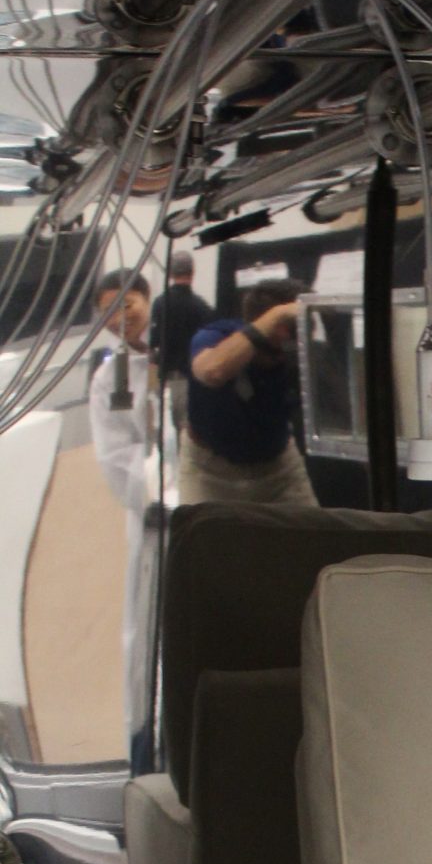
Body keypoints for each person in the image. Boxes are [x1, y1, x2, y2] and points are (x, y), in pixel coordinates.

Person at [89, 269, 176, 769]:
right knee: (148, 648)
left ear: (148, 298)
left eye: (127, 304)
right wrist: (165, 490)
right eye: (107, 310)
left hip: (212, 505)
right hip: (156, 525)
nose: (119, 318)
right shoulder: (113, 377)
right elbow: (116, 463)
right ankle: (150, 761)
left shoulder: (184, 351)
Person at [182, 279, 317, 506]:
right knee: (202, 538)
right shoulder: (216, 336)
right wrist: (276, 316)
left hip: (278, 468)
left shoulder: (299, 354)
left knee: (316, 537)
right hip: (210, 472)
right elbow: (212, 371)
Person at [148, 248, 216, 430]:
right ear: (192, 273)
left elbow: (153, 344)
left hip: (166, 383)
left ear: (170, 274)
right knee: (189, 434)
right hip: (192, 382)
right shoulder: (201, 307)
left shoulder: (160, 304)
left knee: (167, 434)